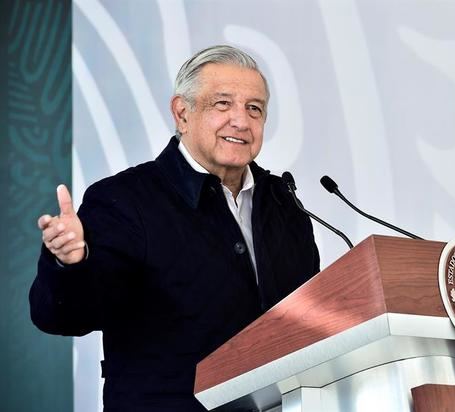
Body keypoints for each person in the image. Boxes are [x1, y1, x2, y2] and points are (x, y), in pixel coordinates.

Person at [30, 45, 320, 411]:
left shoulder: (283, 203)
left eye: (254, 108)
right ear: (182, 113)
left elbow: (309, 321)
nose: (241, 121)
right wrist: (70, 264)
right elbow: (63, 316)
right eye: (222, 104)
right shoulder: (124, 199)